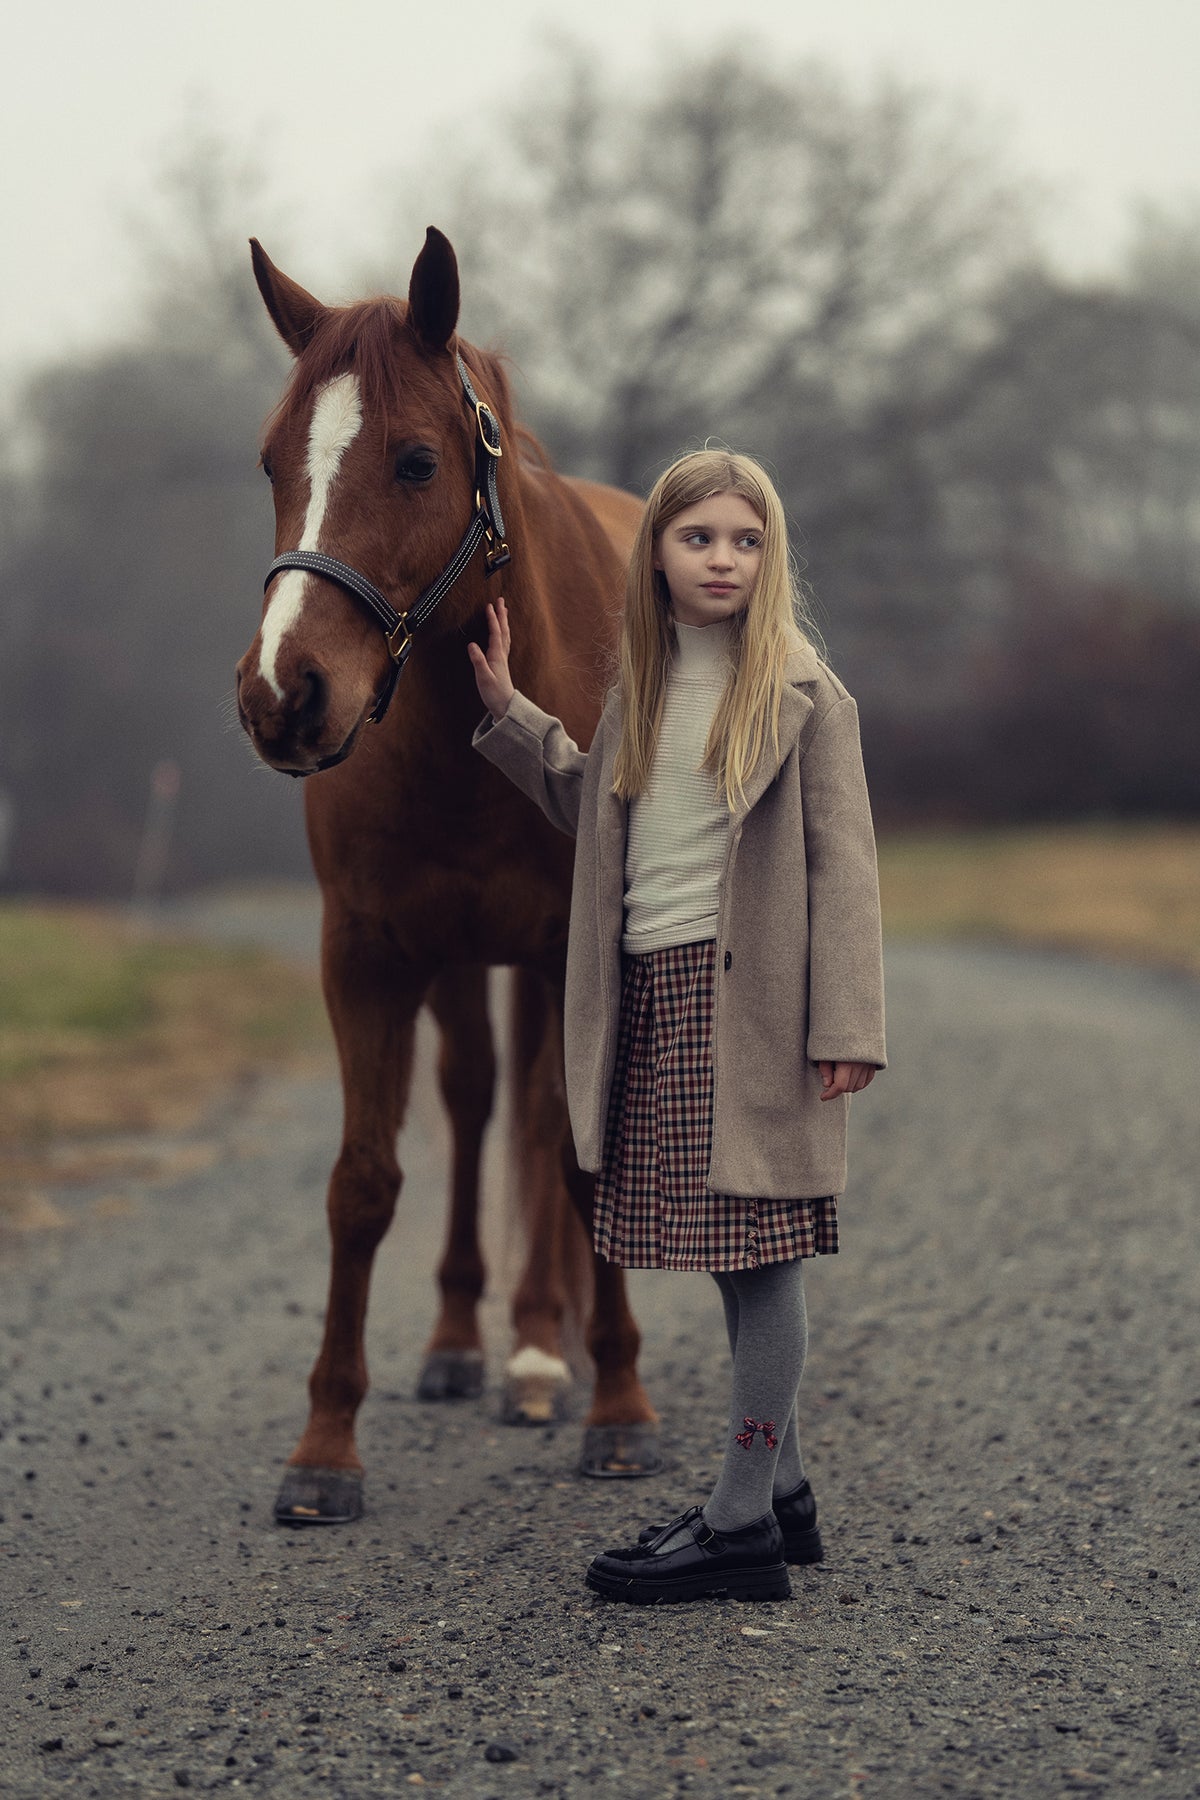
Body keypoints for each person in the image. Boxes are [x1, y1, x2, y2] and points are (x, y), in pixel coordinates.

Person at [468, 449, 886, 1605]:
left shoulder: (806, 692)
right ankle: (784, 1493)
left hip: (750, 1001)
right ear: (655, 549)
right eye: (700, 537)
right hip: (651, 995)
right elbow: (592, 813)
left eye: (746, 542)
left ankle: (739, 1526)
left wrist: (846, 1021)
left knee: (765, 1260)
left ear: (771, 558)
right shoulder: (640, 691)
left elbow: (845, 871)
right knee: (724, 1252)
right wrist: (508, 717)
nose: (723, 560)